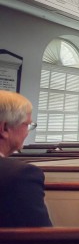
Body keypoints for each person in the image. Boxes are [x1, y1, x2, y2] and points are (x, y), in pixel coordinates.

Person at [0, 90, 52, 227]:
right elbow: (41, 239)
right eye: (27, 125)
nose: (27, 132)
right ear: (4, 128)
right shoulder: (19, 175)